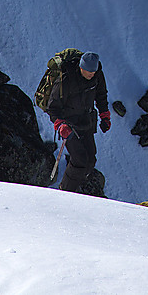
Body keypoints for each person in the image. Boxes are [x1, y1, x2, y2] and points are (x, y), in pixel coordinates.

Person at [46, 51, 111, 192]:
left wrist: (105, 115)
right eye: (88, 71)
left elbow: (101, 95)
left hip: (86, 121)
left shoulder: (97, 74)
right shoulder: (66, 79)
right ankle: (66, 191)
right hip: (69, 125)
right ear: (81, 67)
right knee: (79, 159)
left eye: (93, 71)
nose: (91, 74)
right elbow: (52, 107)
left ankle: (75, 189)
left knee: (90, 159)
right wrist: (60, 125)